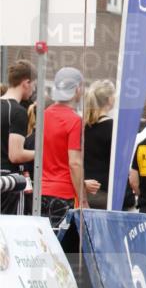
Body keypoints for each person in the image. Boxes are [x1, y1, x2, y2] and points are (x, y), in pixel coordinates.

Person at [41, 67, 100, 228]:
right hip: (63, 195)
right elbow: (74, 163)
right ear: (78, 90)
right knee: (64, 248)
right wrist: (83, 199)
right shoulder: (74, 121)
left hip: (41, 191)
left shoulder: (43, 115)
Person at [0, 60, 36, 214]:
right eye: (34, 84)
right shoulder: (18, 111)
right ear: (26, 82)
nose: (34, 89)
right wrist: (41, 154)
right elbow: (15, 155)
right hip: (10, 184)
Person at [83, 80, 116, 210]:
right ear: (109, 99)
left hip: (85, 190)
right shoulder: (112, 127)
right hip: (105, 192)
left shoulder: (84, 126)